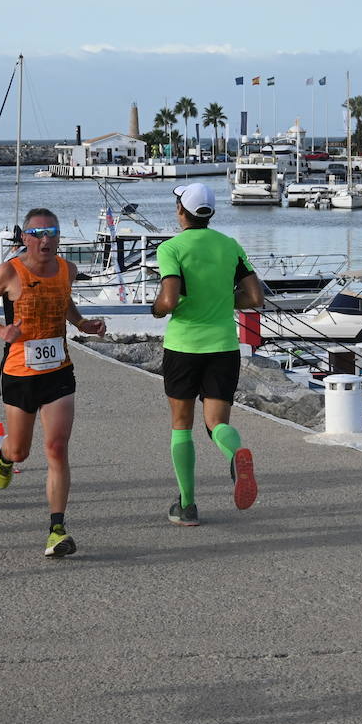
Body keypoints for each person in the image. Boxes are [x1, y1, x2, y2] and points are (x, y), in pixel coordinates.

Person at [0, 208, 106, 556]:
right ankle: (4, 459)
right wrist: (3, 330)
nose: (45, 240)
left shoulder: (67, 270)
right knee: (20, 450)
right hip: (19, 374)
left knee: (57, 448)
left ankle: (57, 529)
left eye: (52, 232)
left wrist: (81, 323)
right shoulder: (8, 272)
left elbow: (64, 301)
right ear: (24, 238)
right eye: (38, 233)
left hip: (59, 371)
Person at [150, 183, 262, 526]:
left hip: (184, 347)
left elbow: (168, 301)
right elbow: (254, 297)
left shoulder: (171, 248)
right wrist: (225, 301)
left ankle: (187, 506)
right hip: (224, 348)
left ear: (181, 211)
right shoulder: (230, 246)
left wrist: (156, 309)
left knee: (181, 426)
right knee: (216, 424)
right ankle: (235, 452)